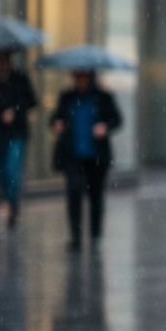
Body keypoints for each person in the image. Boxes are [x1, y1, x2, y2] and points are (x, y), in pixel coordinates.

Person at [51, 71, 123, 250]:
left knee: (96, 197)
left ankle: (95, 234)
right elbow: (54, 118)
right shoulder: (67, 97)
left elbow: (117, 119)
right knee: (74, 195)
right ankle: (76, 237)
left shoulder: (103, 97)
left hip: (96, 155)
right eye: (77, 77)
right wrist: (57, 123)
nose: (80, 81)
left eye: (83, 77)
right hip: (73, 156)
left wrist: (104, 127)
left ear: (90, 78)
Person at [0, 51, 38, 229]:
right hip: (0, 133)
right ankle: (8, 197)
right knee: (2, 171)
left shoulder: (20, 79)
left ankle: (13, 203)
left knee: (12, 169)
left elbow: (31, 101)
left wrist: (15, 110)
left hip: (17, 133)